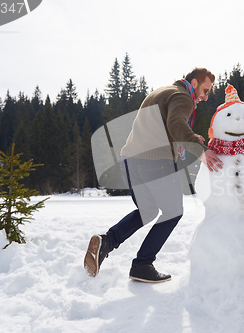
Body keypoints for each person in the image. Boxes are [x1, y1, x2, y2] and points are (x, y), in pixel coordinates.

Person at [84, 68, 223, 282]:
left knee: (147, 211)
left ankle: (106, 242)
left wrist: (180, 139)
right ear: (194, 82)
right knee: (173, 211)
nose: (205, 97)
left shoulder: (163, 91)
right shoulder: (183, 97)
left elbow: (163, 127)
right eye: (205, 90)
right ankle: (142, 264)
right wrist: (200, 150)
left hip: (130, 162)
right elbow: (176, 123)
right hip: (155, 162)